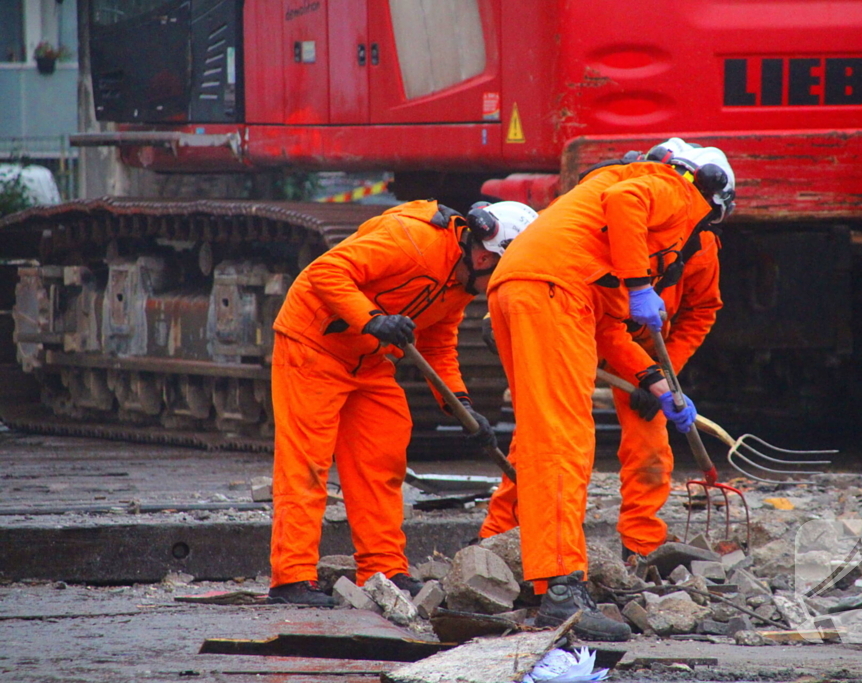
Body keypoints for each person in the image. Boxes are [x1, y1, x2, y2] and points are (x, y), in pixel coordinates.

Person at [480, 139, 733, 640]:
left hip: (528, 289)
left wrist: (660, 383)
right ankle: (559, 588)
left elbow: (611, 333)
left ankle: (540, 580)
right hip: (555, 292)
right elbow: (627, 206)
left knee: (540, 438)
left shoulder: (607, 201)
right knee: (563, 441)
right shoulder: (673, 188)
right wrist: (641, 285)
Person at [268, 199, 537, 606]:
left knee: (382, 464)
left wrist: (461, 407)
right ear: (485, 255)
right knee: (306, 465)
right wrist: (372, 317)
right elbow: (325, 272)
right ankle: (291, 579)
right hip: (313, 346)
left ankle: (383, 571)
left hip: (370, 359)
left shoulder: (462, 281)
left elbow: (440, 343)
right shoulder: (410, 239)